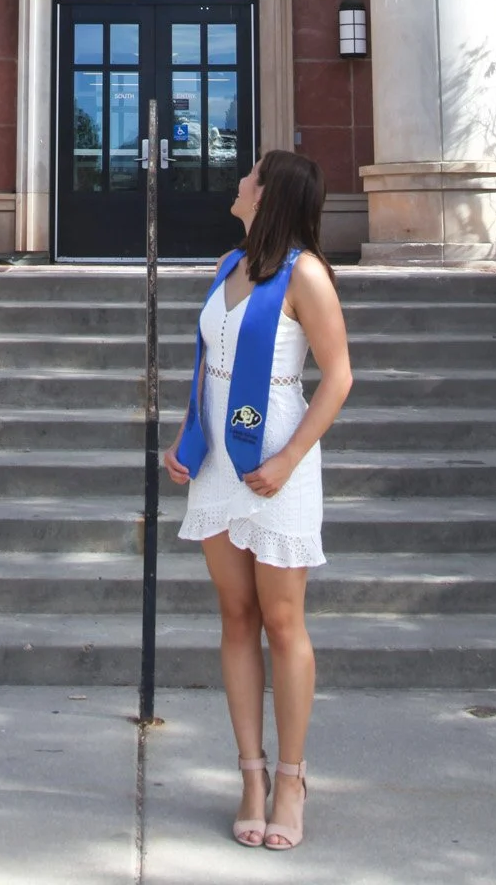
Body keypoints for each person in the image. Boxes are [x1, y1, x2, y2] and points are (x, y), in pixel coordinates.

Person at [164, 149, 353, 852]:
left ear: (267, 192)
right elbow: (207, 367)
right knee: (235, 616)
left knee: (282, 622)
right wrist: (185, 441)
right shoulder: (228, 264)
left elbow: (337, 377)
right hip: (221, 461)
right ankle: (249, 774)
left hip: (279, 462)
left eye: (247, 178)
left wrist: (286, 458)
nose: (237, 185)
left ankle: (291, 780)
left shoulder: (304, 274)